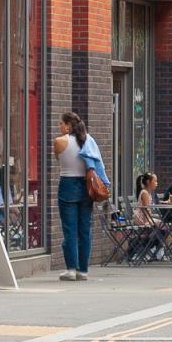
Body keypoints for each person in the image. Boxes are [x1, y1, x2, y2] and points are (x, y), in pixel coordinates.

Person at [54, 111, 109, 282]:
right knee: (85, 229)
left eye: (61, 124)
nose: (59, 127)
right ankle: (83, 270)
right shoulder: (88, 141)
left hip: (68, 185)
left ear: (69, 125)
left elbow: (59, 159)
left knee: (70, 229)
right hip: (87, 186)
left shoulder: (59, 141)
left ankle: (71, 269)